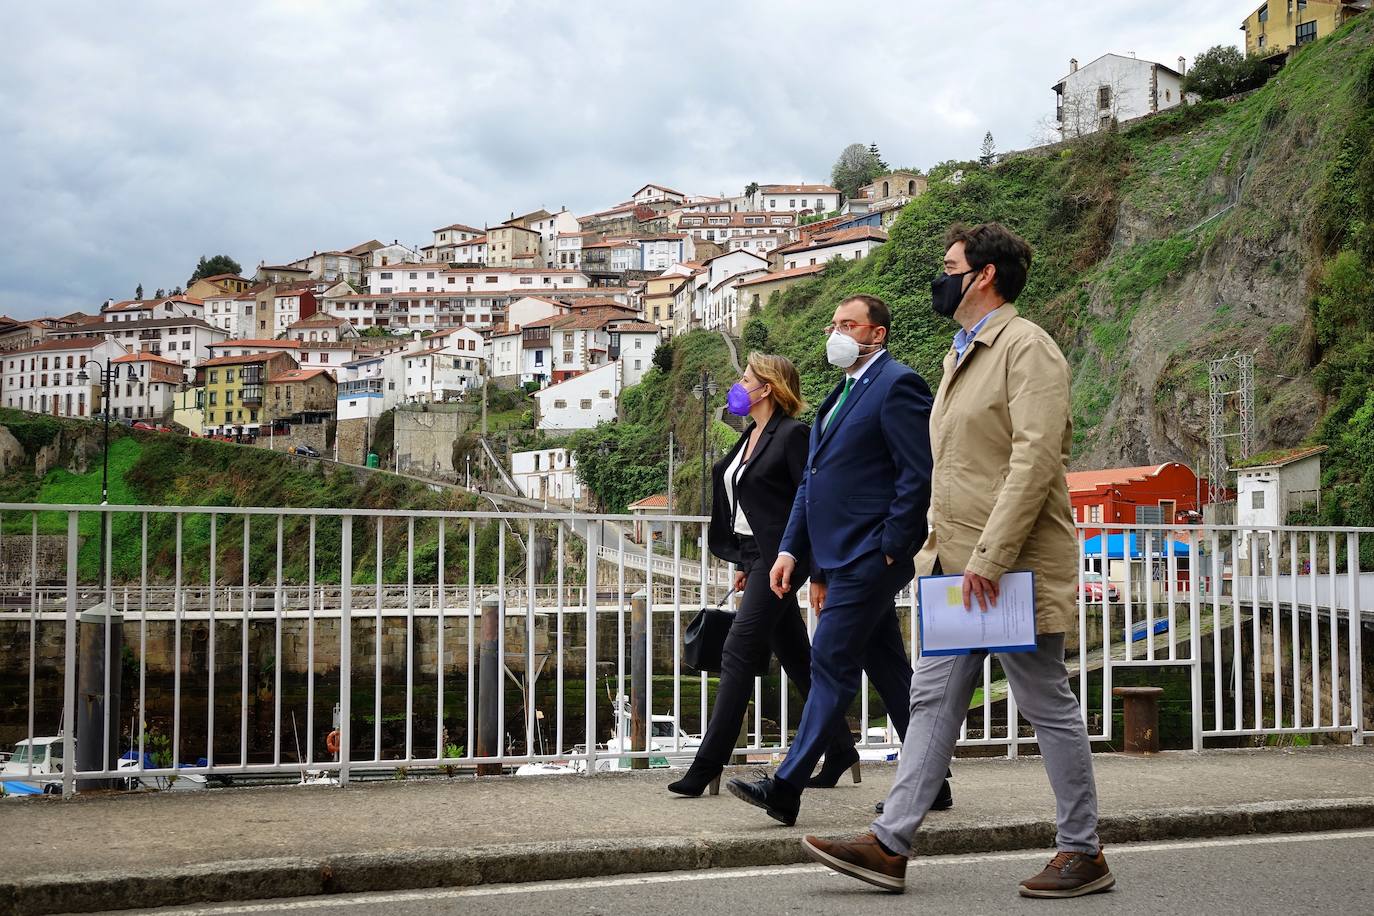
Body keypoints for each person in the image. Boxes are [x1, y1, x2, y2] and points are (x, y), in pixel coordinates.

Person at [801, 222, 1113, 898]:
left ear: (985, 276)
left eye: (949, 265)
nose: (940, 277)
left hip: (1007, 565)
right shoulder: (961, 353)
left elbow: (1036, 461)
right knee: (933, 695)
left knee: (1043, 699)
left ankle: (1083, 850)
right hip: (956, 563)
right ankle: (890, 843)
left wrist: (992, 557)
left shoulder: (1027, 348)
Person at [726, 294, 942, 826]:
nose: (836, 332)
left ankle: (786, 786)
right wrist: (790, 550)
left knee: (828, 662)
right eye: (834, 324)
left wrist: (892, 544)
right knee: (889, 667)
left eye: (848, 324)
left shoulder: (899, 385)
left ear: (877, 334)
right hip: (840, 553)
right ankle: (931, 784)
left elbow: (917, 474)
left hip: (870, 553)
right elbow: (812, 483)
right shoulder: (840, 394)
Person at [669, 353, 856, 797]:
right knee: (798, 659)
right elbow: (746, 506)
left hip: (780, 560)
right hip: (755, 559)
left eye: (747, 377)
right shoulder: (751, 433)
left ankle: (707, 764)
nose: (739, 383)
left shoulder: (792, 436)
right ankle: (841, 747)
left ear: (767, 388)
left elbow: (814, 503)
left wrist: (819, 571)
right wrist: (742, 562)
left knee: (736, 653)